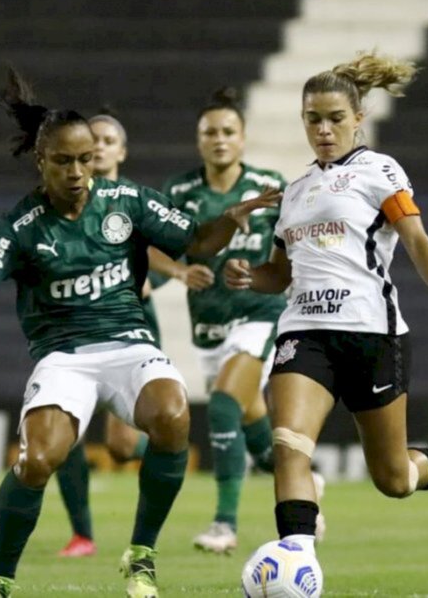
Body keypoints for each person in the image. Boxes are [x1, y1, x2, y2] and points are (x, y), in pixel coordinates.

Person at [0, 68, 278, 598]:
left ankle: (142, 555)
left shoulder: (126, 201)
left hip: (129, 345)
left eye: (85, 159)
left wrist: (231, 219)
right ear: (41, 161)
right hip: (63, 357)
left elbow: (195, 243)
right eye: (64, 160)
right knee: (37, 461)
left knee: (173, 417)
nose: (79, 171)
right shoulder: (21, 225)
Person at [223, 52, 428, 559]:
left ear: (358, 119)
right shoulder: (294, 190)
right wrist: (247, 276)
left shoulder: (379, 170)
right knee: (289, 445)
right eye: (313, 119)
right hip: (303, 331)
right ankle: (297, 563)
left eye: (335, 118)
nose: (324, 129)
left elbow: (414, 238)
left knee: (393, 479)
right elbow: (278, 275)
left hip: (371, 332)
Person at [150, 87, 324, 554]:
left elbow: (292, 251)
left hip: (260, 315)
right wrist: (171, 273)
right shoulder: (179, 192)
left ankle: (224, 524)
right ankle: (310, 486)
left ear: (243, 138)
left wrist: (265, 276)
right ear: (199, 139)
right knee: (254, 428)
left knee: (224, 403)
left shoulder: (267, 188)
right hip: (208, 324)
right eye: (210, 132)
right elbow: (161, 254)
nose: (219, 139)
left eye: (229, 131)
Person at [53, 110, 153, 558]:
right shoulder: (64, 200)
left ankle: (173, 443)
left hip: (129, 330)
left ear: (121, 151)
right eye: (93, 140)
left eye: (109, 139)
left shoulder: (134, 200)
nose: (101, 146)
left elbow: (171, 252)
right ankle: (83, 534)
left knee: (121, 443)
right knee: (63, 433)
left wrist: (156, 277)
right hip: (74, 330)